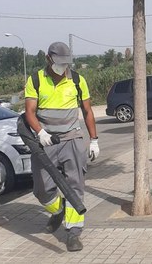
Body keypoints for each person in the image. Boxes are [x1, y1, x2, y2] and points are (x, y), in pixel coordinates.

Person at [24, 42, 99, 252]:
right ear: (48, 59)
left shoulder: (77, 79)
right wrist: (40, 132)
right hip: (45, 140)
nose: (62, 67)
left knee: (75, 185)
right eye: (58, 63)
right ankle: (59, 210)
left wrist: (94, 140)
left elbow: (87, 111)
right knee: (41, 188)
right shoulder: (36, 80)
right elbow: (29, 111)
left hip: (72, 138)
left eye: (66, 63)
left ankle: (73, 232)